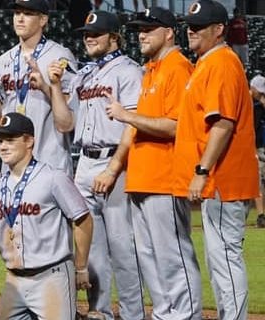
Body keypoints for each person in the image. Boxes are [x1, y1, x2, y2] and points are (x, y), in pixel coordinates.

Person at [107, 7, 202, 319]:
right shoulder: (152, 69)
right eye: (138, 29)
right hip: (142, 179)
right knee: (149, 259)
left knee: (173, 257)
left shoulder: (177, 67)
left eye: (149, 28)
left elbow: (176, 125)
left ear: (170, 32)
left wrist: (127, 115)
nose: (141, 34)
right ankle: (164, 314)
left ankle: (185, 315)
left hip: (166, 179)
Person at [53, 10, 144, 319]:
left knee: (123, 249)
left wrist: (112, 169)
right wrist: (53, 86)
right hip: (84, 164)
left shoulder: (129, 72)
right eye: (86, 33)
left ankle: (132, 314)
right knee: (91, 248)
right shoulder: (84, 74)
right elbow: (65, 124)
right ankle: (100, 311)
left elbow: (133, 126)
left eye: (96, 33)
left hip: (115, 164)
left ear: (114, 37)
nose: (89, 37)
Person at [176, 1, 258, 319]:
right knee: (219, 260)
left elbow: (223, 124)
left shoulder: (222, 62)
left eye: (199, 26)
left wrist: (201, 170)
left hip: (225, 179)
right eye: (189, 25)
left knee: (224, 259)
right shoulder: (208, 62)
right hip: (220, 180)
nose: (191, 31)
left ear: (219, 29)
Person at [0, 113, 93, 319]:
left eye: (10, 140)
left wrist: (81, 266)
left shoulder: (53, 178)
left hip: (51, 276)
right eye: (0, 141)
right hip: (14, 280)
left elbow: (83, 219)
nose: (3, 146)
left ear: (29, 141)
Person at [0, 0, 77, 172]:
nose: (20, 18)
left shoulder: (60, 56)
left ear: (43, 20)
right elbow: (1, 115)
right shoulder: (4, 60)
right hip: (12, 164)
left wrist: (46, 88)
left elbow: (67, 121)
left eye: (27, 14)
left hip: (49, 160)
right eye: (17, 13)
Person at [250, 75, 265, 227]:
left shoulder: (258, 105)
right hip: (255, 149)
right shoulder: (251, 105)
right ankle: (261, 216)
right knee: (257, 183)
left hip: (260, 148)